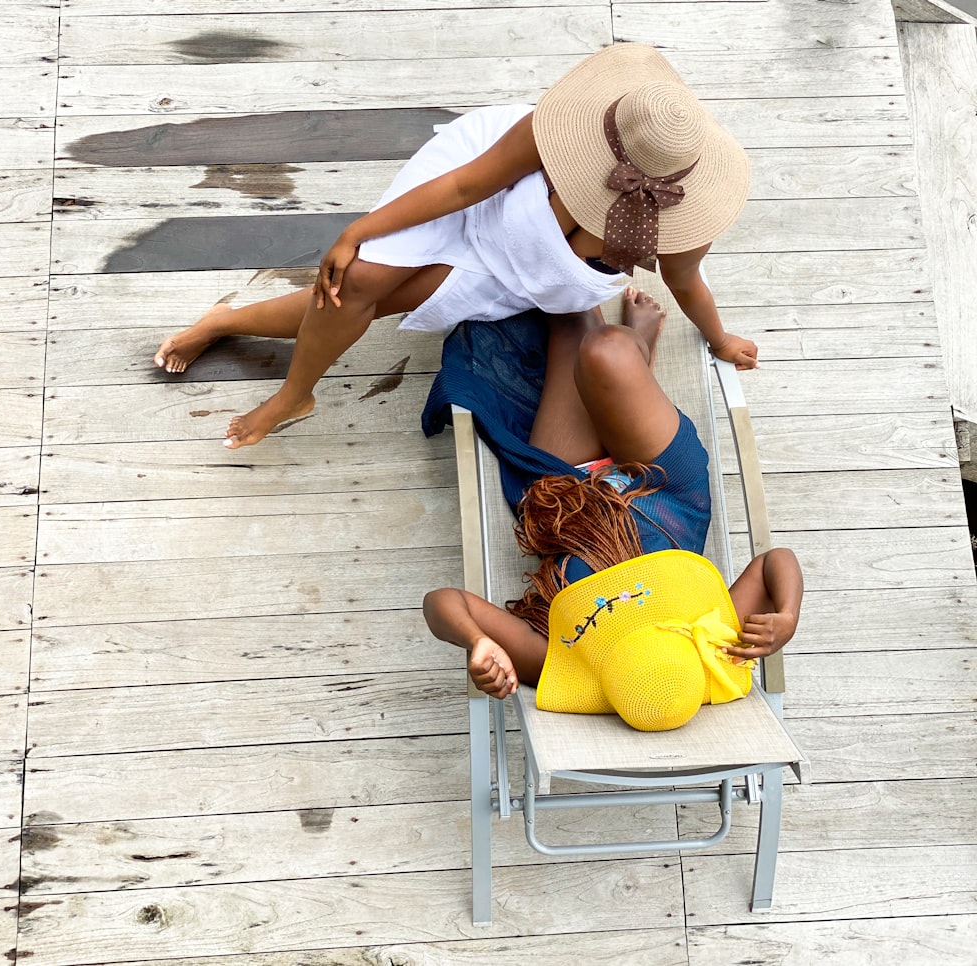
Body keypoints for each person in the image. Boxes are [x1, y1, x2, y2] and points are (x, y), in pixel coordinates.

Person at [153, 44, 759, 449]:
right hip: (478, 193)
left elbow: (684, 282)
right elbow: (467, 183)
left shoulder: (679, 223)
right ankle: (295, 393)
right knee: (359, 275)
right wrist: (358, 230)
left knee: (374, 294)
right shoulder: (550, 136)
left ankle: (226, 320)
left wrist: (719, 336)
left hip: (520, 272)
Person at [422, 288, 802, 731]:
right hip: (666, 489)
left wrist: (477, 642)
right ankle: (639, 347)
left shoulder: (559, 661)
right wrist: (788, 616)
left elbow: (442, 602)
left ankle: (632, 359)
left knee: (576, 317)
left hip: (569, 497)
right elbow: (776, 561)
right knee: (609, 350)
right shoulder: (717, 643)